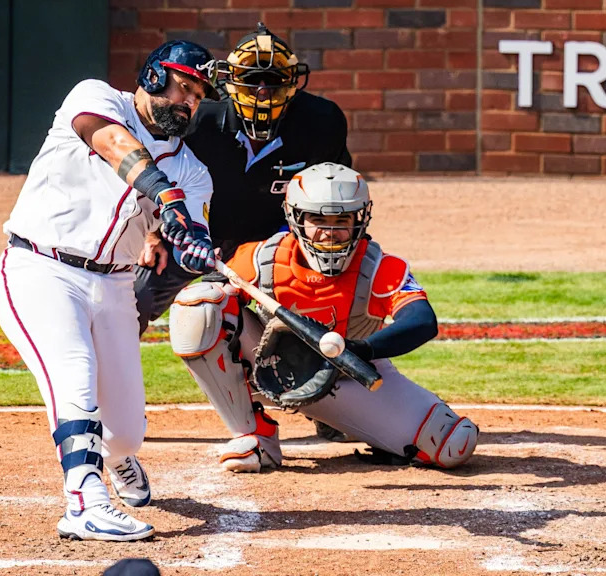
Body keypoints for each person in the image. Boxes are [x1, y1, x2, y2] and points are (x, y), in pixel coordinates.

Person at [0, 40, 218, 541]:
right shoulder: (96, 97)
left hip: (116, 285)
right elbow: (114, 143)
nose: (190, 103)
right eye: (185, 87)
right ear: (154, 76)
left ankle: (114, 460)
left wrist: (193, 246)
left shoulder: (193, 171)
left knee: (126, 434)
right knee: (74, 373)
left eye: (199, 97)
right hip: (42, 268)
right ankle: (84, 502)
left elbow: (193, 233)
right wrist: (166, 196)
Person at [167, 163, 479, 472]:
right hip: (274, 369)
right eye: (318, 219)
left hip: (351, 376)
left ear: (360, 219)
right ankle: (253, 435)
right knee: (199, 304)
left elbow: (421, 321)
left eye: (341, 220)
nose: (329, 232)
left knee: (453, 443)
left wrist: (360, 350)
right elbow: (211, 306)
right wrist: (204, 267)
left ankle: (342, 420)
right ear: (295, 218)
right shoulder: (261, 257)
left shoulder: (379, 266)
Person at [133, 23, 352, 334]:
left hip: (273, 239)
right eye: (251, 80)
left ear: (293, 83)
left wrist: (295, 248)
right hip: (191, 229)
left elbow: (336, 197)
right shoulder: (199, 114)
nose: (262, 91)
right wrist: (151, 234)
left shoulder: (321, 123)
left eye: (273, 80)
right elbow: (153, 169)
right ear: (231, 82)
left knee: (315, 311)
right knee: (134, 299)